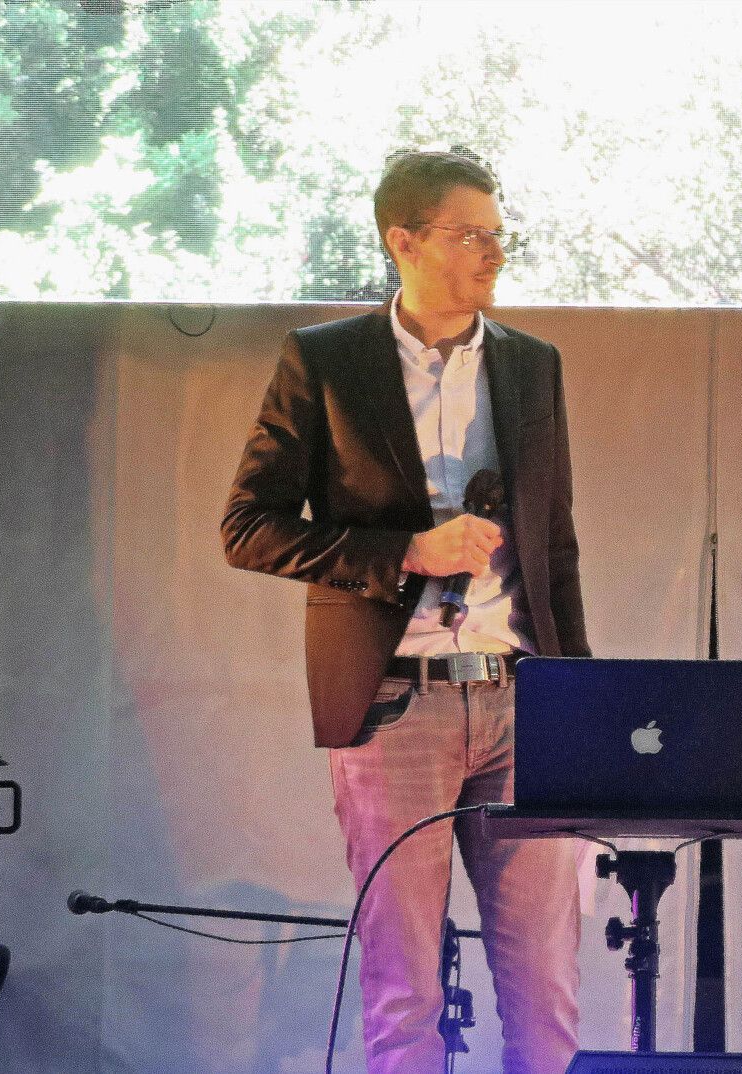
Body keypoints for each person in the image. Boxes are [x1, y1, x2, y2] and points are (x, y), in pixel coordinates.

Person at [222, 150, 589, 1074]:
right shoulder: (326, 360)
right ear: (405, 241)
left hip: (523, 704)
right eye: (471, 235)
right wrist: (405, 555)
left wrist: (579, 703)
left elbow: (556, 547)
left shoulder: (532, 366)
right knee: (404, 990)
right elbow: (248, 527)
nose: (494, 253)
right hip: (394, 704)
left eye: (499, 234)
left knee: (545, 986)